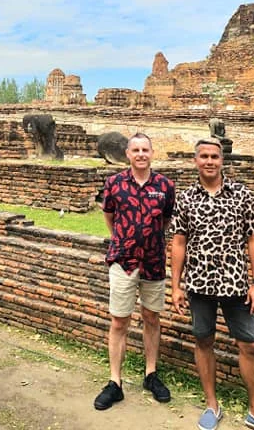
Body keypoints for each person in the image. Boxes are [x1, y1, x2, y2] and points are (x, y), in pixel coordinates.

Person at [170, 138, 254, 430]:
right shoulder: (186, 198)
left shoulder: (242, 194)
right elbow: (178, 242)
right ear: (196, 160)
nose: (209, 161)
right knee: (204, 340)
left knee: (250, 344)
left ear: (222, 160)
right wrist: (176, 285)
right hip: (198, 281)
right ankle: (211, 405)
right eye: (203, 156)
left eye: (214, 156)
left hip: (235, 282)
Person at [93, 132, 176, 411]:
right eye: (136, 150)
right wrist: (123, 238)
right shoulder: (114, 183)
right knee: (119, 321)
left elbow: (165, 220)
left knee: (152, 317)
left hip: (153, 261)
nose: (141, 154)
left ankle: (150, 374)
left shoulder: (165, 186)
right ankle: (114, 382)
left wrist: (149, 238)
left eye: (145, 150)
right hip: (123, 260)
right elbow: (109, 215)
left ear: (152, 153)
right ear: (128, 154)